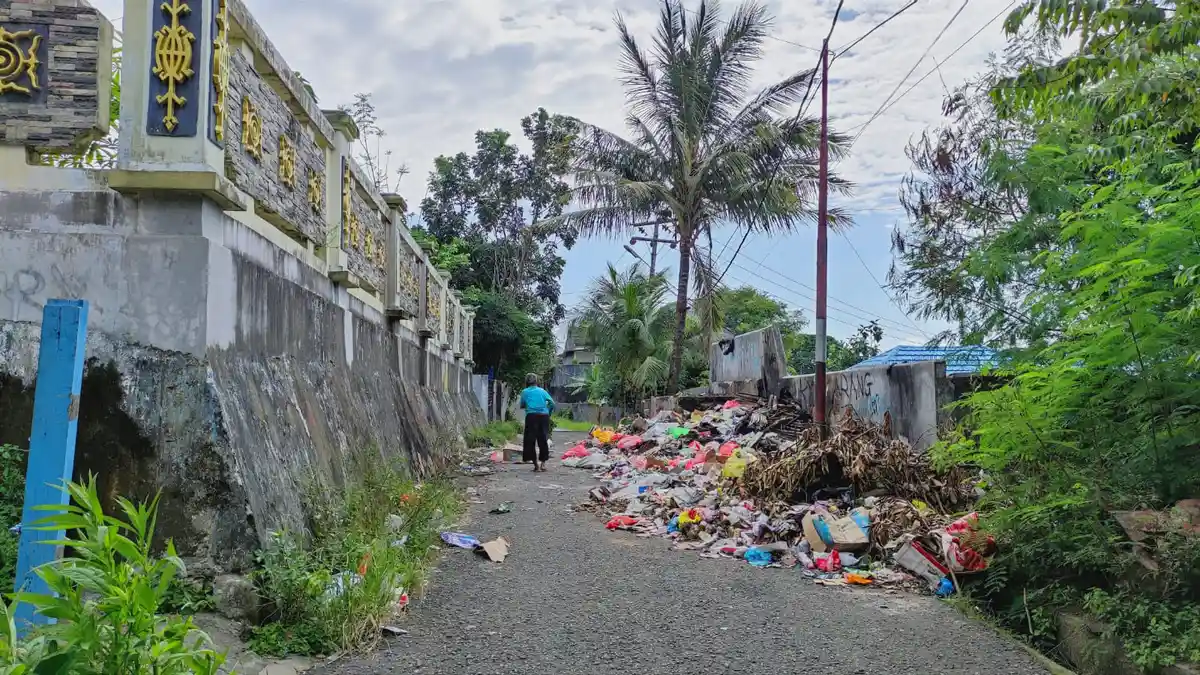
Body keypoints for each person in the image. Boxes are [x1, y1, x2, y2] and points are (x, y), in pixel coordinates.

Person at [518, 373, 555, 472]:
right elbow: (552, 403)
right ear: (536, 381)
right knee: (543, 439)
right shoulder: (542, 391)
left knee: (530, 440)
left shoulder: (525, 392)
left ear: (526, 382)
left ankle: (536, 465)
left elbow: (522, 405)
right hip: (544, 416)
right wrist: (548, 412)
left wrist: (527, 405)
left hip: (531, 417)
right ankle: (543, 464)